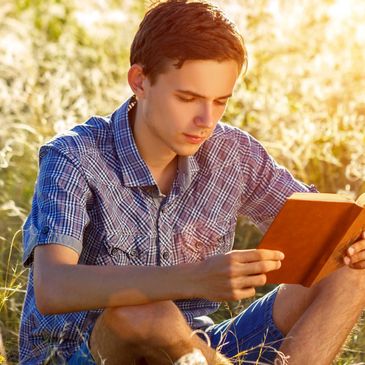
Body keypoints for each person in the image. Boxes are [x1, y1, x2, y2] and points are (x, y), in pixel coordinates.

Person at [19, 1, 365, 364]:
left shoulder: (233, 153)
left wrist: (352, 240)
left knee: (351, 271)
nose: (206, 120)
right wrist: (194, 278)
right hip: (80, 353)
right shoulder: (74, 156)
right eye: (188, 98)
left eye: (220, 102)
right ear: (140, 81)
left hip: (196, 348)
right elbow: (53, 287)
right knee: (144, 314)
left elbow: (323, 229)